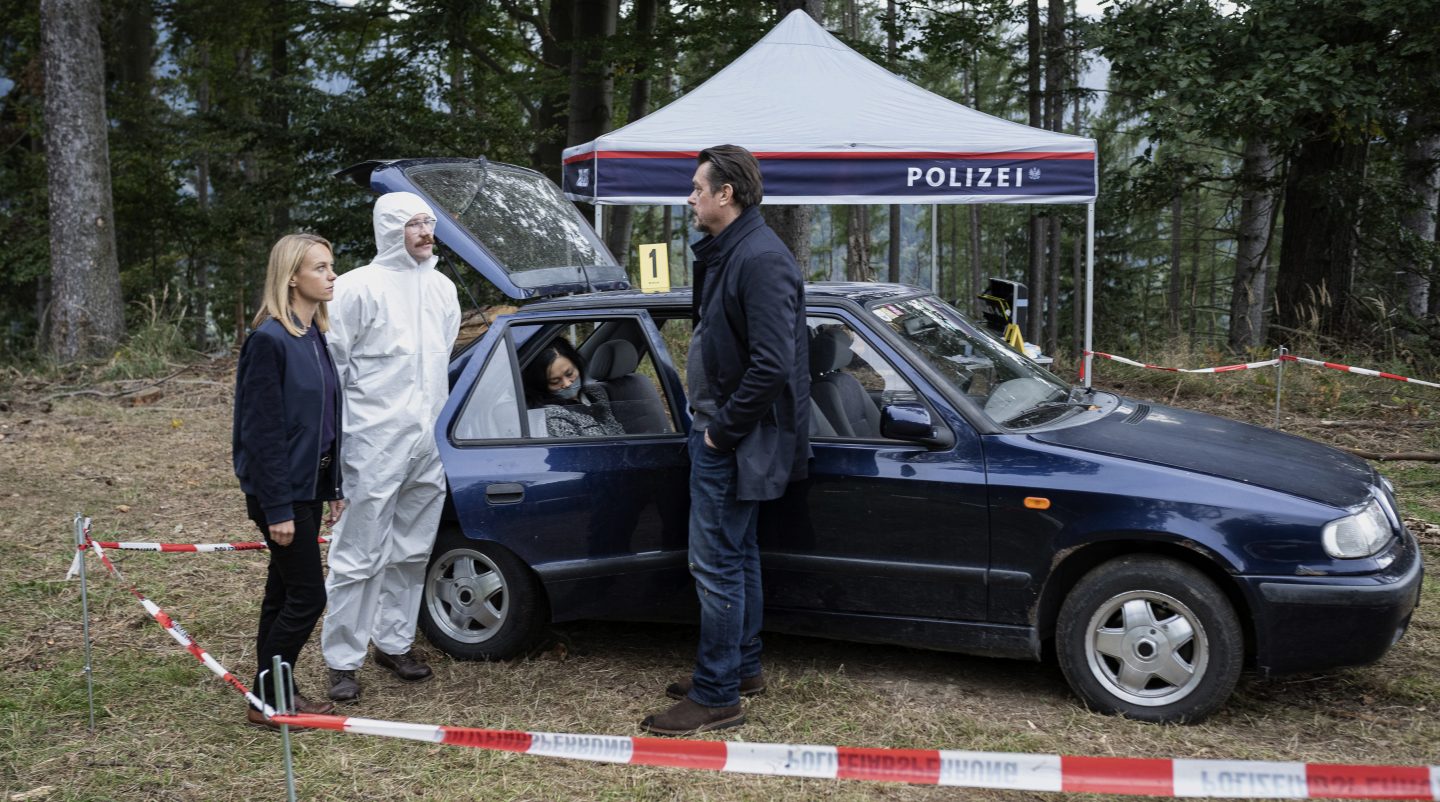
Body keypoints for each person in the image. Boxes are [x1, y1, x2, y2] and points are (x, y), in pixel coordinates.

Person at [641, 145, 810, 736]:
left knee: (715, 564)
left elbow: (771, 365)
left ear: (725, 195)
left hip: (736, 441)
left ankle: (716, 694)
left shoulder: (760, 259)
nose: (689, 198)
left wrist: (719, 434)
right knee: (737, 556)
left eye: (696, 188)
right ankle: (740, 668)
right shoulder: (732, 251)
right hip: (733, 437)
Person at [321, 192, 461, 702]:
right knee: (358, 553)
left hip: (427, 441)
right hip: (371, 443)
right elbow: (334, 370)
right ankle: (342, 658)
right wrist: (334, 450)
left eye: (429, 222)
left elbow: (441, 360)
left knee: (412, 548)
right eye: (413, 224)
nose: (425, 232)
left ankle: (394, 641)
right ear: (388, 230)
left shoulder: (444, 289)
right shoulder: (357, 288)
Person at [232, 233, 345, 727]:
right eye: (320, 267)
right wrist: (277, 508)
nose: (332, 275)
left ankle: (276, 690)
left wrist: (334, 485)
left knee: (282, 593)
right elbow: (263, 433)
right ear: (292, 277)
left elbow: (326, 419)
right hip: (282, 493)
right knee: (308, 596)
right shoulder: (269, 340)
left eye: (331, 266)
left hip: (309, 486)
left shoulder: (312, 333)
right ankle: (268, 698)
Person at [522, 337, 625, 438]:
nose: (567, 384)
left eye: (569, 374)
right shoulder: (553, 416)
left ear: (577, 365)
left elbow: (618, 432)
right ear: (542, 384)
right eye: (555, 381)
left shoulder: (595, 394)